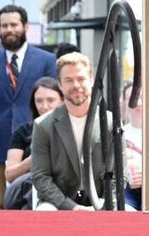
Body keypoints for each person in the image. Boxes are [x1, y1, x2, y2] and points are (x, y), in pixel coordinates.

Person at [0, 4, 57, 209]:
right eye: (4, 26)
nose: (9, 29)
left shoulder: (46, 60)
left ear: (26, 26)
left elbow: (56, 103)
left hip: (37, 143)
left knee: (33, 205)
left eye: (14, 24)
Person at [31, 52, 107, 210]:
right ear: (59, 84)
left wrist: (102, 204)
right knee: (44, 213)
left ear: (91, 80)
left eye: (80, 79)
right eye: (69, 80)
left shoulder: (110, 122)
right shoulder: (42, 125)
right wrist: (70, 206)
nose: (76, 85)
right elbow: (40, 177)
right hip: (57, 203)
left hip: (102, 202)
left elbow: (121, 174)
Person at [3, 76, 63, 209]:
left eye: (51, 100)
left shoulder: (70, 129)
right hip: (24, 186)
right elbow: (10, 174)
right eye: (39, 101)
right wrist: (33, 160)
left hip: (59, 189)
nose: (44, 106)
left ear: (62, 100)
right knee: (37, 180)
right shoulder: (23, 131)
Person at [121, 81, 143, 210]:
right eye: (133, 98)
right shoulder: (120, 133)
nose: (138, 103)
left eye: (141, 97)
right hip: (129, 191)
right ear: (125, 103)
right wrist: (126, 176)